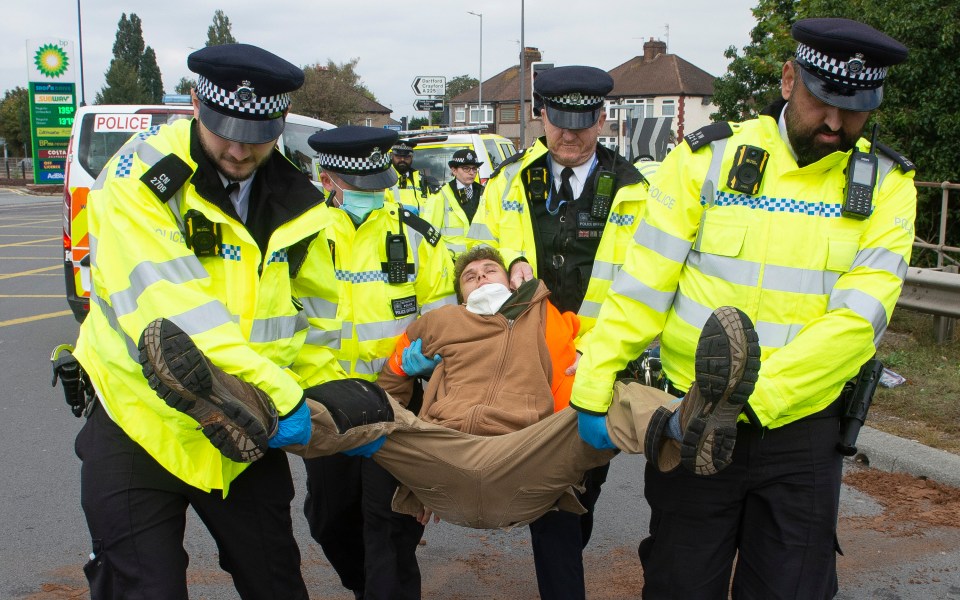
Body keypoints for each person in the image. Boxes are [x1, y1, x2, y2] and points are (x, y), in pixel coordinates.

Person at [570, 18, 916, 598]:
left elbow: (858, 322)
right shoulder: (706, 159)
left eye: (854, 109)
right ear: (788, 80)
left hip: (800, 433)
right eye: (822, 101)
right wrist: (594, 379)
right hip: (690, 423)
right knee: (680, 583)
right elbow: (644, 281)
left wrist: (746, 401)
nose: (834, 123)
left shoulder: (886, 185)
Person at [136, 254, 763, 531]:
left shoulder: (549, 317)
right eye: (470, 274)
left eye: (491, 269)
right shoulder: (437, 322)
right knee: (364, 404)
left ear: (513, 277)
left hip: (529, 459)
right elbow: (386, 386)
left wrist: (532, 293)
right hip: (440, 457)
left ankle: (693, 426)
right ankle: (252, 415)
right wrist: (405, 364)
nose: (481, 277)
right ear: (458, 289)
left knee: (610, 397)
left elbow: (587, 364)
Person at [71, 43, 321, 599]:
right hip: (142, 419)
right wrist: (286, 398)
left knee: (276, 581)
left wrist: (358, 397)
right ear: (194, 105)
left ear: (279, 125)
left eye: (256, 134)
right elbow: (177, 319)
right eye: (223, 128)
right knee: (144, 587)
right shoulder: (140, 179)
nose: (237, 149)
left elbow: (314, 316)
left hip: (244, 427)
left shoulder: (298, 199)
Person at [464, 64, 652, 600]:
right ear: (541, 116)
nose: (570, 135)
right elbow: (474, 258)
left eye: (583, 122)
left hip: (597, 366)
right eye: (559, 121)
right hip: (528, 363)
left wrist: (605, 352)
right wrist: (512, 260)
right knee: (554, 507)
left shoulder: (637, 191)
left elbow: (649, 284)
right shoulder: (509, 183)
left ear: (601, 119)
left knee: (583, 494)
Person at [295, 125, 457, 600]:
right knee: (329, 519)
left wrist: (427, 356)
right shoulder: (300, 237)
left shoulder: (415, 235)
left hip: (397, 402)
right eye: (360, 188)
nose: (374, 195)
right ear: (329, 181)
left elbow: (441, 309)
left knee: (390, 524)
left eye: (378, 186)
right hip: (327, 403)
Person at [421, 148, 486, 258]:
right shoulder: (441, 195)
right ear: (454, 170)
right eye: (466, 168)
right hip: (451, 260)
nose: (471, 172)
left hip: (480, 258)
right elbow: (430, 231)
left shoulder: (484, 193)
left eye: (474, 169)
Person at [389, 138, 430, 211]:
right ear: (391, 156)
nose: (402, 160)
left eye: (406, 157)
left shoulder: (422, 179)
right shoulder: (384, 179)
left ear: (411, 157)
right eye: (398, 156)